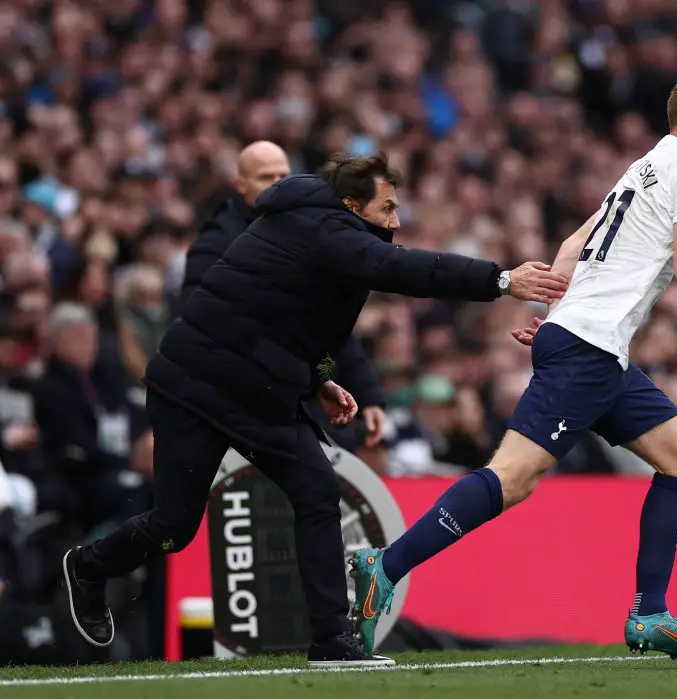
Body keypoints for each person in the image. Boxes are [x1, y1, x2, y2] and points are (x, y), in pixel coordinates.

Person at [60, 152, 567, 667]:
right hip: (195, 389)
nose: (395, 220)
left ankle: (331, 641)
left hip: (255, 390)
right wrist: (501, 281)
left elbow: (284, 313)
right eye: (387, 207)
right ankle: (88, 566)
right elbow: (399, 268)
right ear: (352, 204)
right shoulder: (327, 230)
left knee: (317, 490)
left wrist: (319, 378)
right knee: (174, 527)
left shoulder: (317, 224)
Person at [348, 69, 677, 661]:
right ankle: (384, 567)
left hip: (592, 347)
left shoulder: (648, 164)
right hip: (588, 349)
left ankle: (650, 612)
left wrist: (558, 313)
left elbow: (577, 242)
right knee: (512, 478)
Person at [178, 141, 387, 449]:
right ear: (241, 184)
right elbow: (200, 319)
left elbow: (333, 322)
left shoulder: (309, 230)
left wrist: (368, 394)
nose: (278, 185)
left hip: (305, 386)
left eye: (283, 176)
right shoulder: (216, 242)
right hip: (245, 395)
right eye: (266, 177)